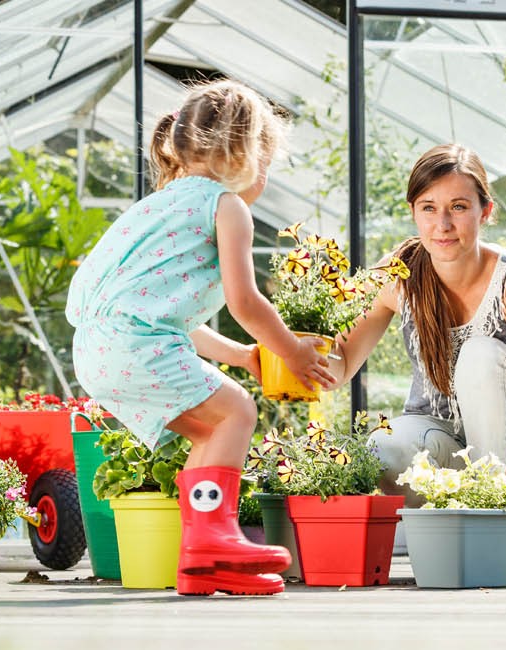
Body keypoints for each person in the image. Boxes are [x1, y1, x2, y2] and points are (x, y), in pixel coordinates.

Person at [65, 80, 335, 596]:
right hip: (135, 343)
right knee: (236, 413)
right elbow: (245, 303)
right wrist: (292, 351)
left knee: (210, 430)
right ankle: (211, 542)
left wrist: (245, 357)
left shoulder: (158, 204)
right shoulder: (226, 206)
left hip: (101, 348)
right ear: (246, 152)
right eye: (268, 161)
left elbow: (170, 316)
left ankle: (203, 562)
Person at [326, 143, 506, 507]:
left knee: (480, 354)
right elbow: (341, 362)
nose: (442, 225)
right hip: (446, 438)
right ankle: (462, 517)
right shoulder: (398, 273)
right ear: (413, 212)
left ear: (485, 211)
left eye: (458, 207)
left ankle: (501, 516)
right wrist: (294, 346)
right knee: (382, 447)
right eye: (429, 208)